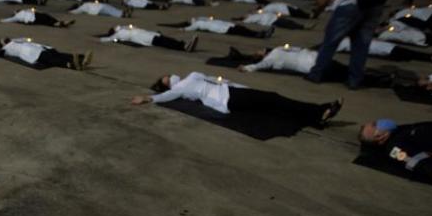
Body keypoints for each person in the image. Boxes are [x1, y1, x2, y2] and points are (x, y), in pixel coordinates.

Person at [130, 71, 343, 128]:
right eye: (165, 79)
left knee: (272, 107)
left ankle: (314, 117)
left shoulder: (188, 79)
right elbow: (168, 96)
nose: (169, 76)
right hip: (229, 97)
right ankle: (318, 111)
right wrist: (148, 98)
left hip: (232, 93)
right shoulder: (181, 87)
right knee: (274, 99)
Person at [306, 0, 384, 89]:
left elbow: (322, 1)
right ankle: (354, 80)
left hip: (349, 6)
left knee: (330, 42)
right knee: (361, 46)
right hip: (374, 7)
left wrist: (316, 12)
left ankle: (316, 74)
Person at [222, 45, 394, 88]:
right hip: (322, 59)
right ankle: (378, 78)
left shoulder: (274, 55)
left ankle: (379, 80)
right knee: (348, 71)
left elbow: (261, 65)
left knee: (347, 76)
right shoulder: (280, 49)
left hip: (316, 67)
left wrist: (247, 67)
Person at [0, 37, 92, 71]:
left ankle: (82, 58)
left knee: (58, 54)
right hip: (34, 54)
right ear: (2, 45)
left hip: (41, 48)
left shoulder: (16, 40)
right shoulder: (5, 50)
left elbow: (26, 38)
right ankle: (74, 65)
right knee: (55, 60)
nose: (6, 39)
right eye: (4, 40)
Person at [99, 25, 198, 53]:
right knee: (166, 43)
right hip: (146, 38)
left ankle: (184, 45)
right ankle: (184, 48)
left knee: (168, 40)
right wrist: (106, 38)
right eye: (114, 28)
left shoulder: (124, 28)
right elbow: (105, 39)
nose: (117, 26)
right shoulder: (117, 35)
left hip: (149, 34)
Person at [159, 16, 274, 39]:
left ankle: (259, 33)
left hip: (225, 25)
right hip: (223, 29)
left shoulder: (200, 20)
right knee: (241, 31)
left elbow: (201, 18)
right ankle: (259, 35)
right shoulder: (197, 24)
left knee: (242, 29)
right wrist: (183, 29)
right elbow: (190, 28)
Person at [0, 8, 73, 28]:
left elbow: (33, 10)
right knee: (45, 21)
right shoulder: (16, 17)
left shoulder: (24, 10)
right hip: (33, 19)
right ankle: (60, 23)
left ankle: (60, 23)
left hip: (36, 15)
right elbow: (9, 20)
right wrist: (1, 20)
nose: (17, 10)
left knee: (46, 17)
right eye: (16, 11)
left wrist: (33, 10)